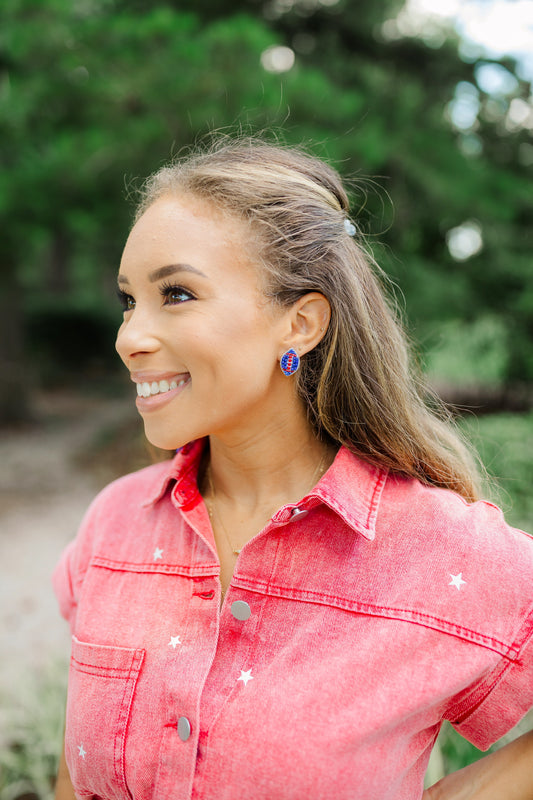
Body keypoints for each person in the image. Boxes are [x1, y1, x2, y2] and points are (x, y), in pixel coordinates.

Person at [53, 137, 533, 800]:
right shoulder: (114, 525)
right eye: (128, 299)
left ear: (300, 324)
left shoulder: (442, 551)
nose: (129, 337)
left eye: (178, 294)